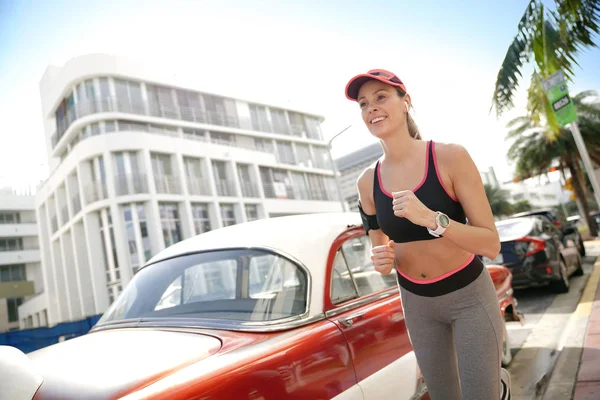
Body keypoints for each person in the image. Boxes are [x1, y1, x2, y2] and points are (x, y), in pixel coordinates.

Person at [346, 69, 511, 400]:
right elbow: (380, 256)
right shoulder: (367, 183)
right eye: (364, 104)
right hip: (416, 302)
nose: (371, 109)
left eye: (380, 98)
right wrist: (379, 257)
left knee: (482, 395)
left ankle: (500, 388)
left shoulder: (450, 157)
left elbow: (490, 244)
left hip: (468, 295)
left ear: (405, 102)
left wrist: (433, 220)